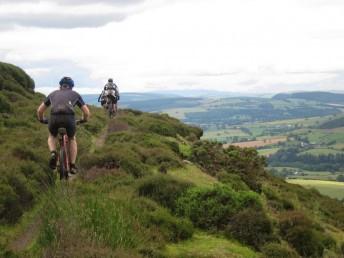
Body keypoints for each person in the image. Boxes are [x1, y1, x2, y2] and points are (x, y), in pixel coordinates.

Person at [36, 76, 90, 174]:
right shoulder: (75, 94)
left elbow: (40, 110)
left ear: (60, 86)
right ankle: (72, 165)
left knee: (52, 136)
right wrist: (83, 120)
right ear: (71, 87)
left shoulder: (52, 94)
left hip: (54, 119)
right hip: (69, 119)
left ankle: (53, 153)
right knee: (72, 138)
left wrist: (41, 119)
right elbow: (86, 112)